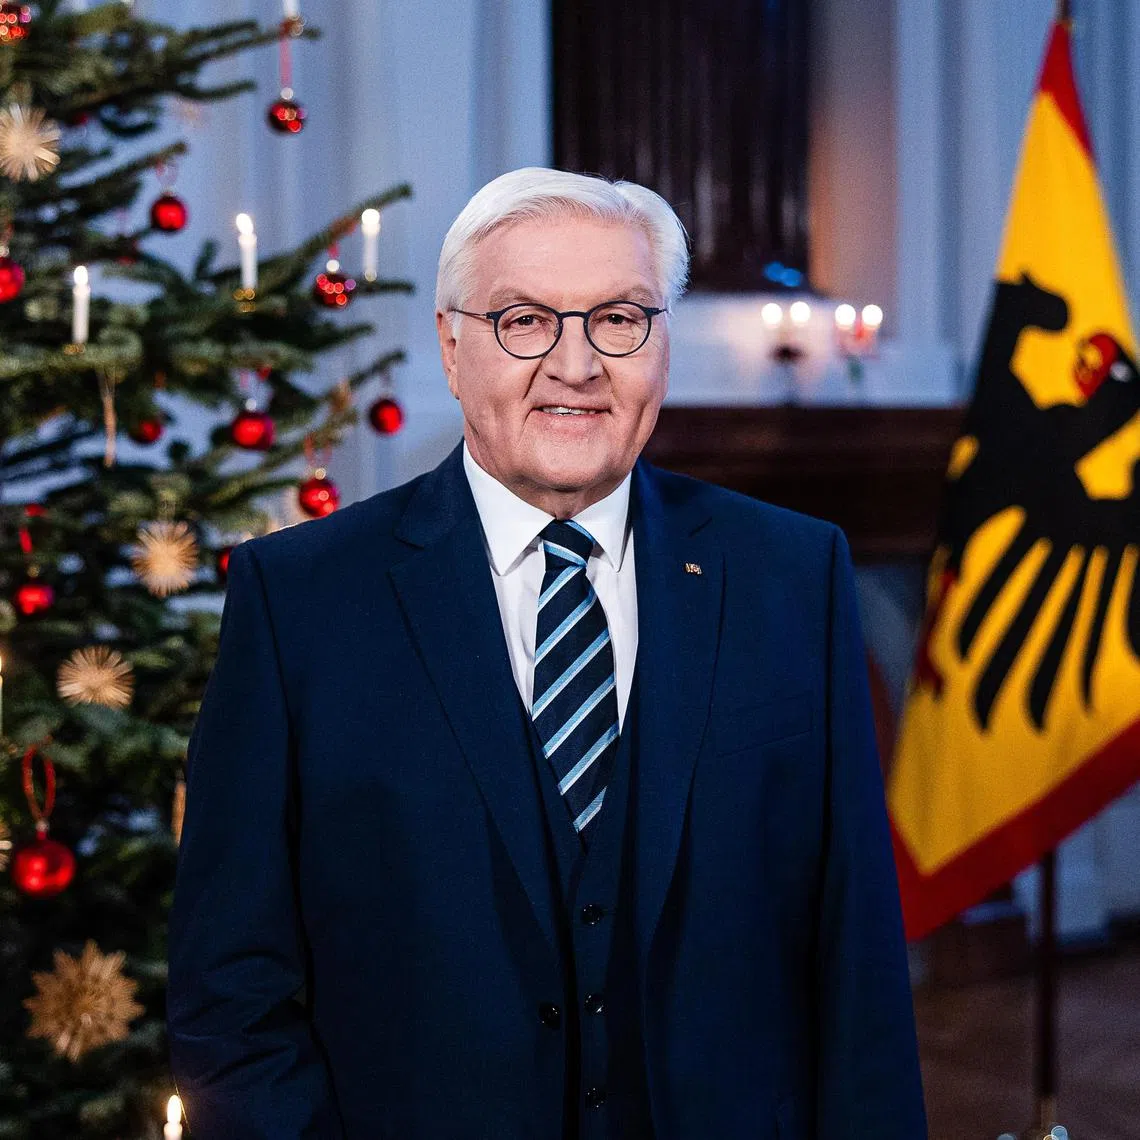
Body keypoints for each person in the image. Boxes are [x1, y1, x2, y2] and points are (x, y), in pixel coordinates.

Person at [167, 167, 927, 1139]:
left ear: (661, 347)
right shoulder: (300, 599)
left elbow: (855, 954)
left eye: (619, 318)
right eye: (524, 320)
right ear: (451, 347)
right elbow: (230, 985)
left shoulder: (793, 573)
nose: (576, 365)